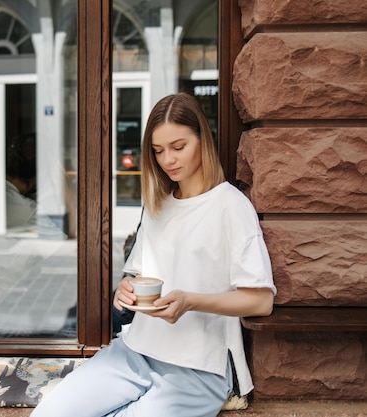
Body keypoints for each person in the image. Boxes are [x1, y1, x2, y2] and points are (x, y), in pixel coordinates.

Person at [30, 92, 276, 417]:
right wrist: (126, 288)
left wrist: (190, 301)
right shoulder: (158, 203)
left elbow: (260, 300)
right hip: (135, 352)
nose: (168, 160)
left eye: (178, 147)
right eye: (158, 151)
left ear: (203, 140)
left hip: (198, 367)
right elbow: (140, 275)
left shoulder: (229, 205)